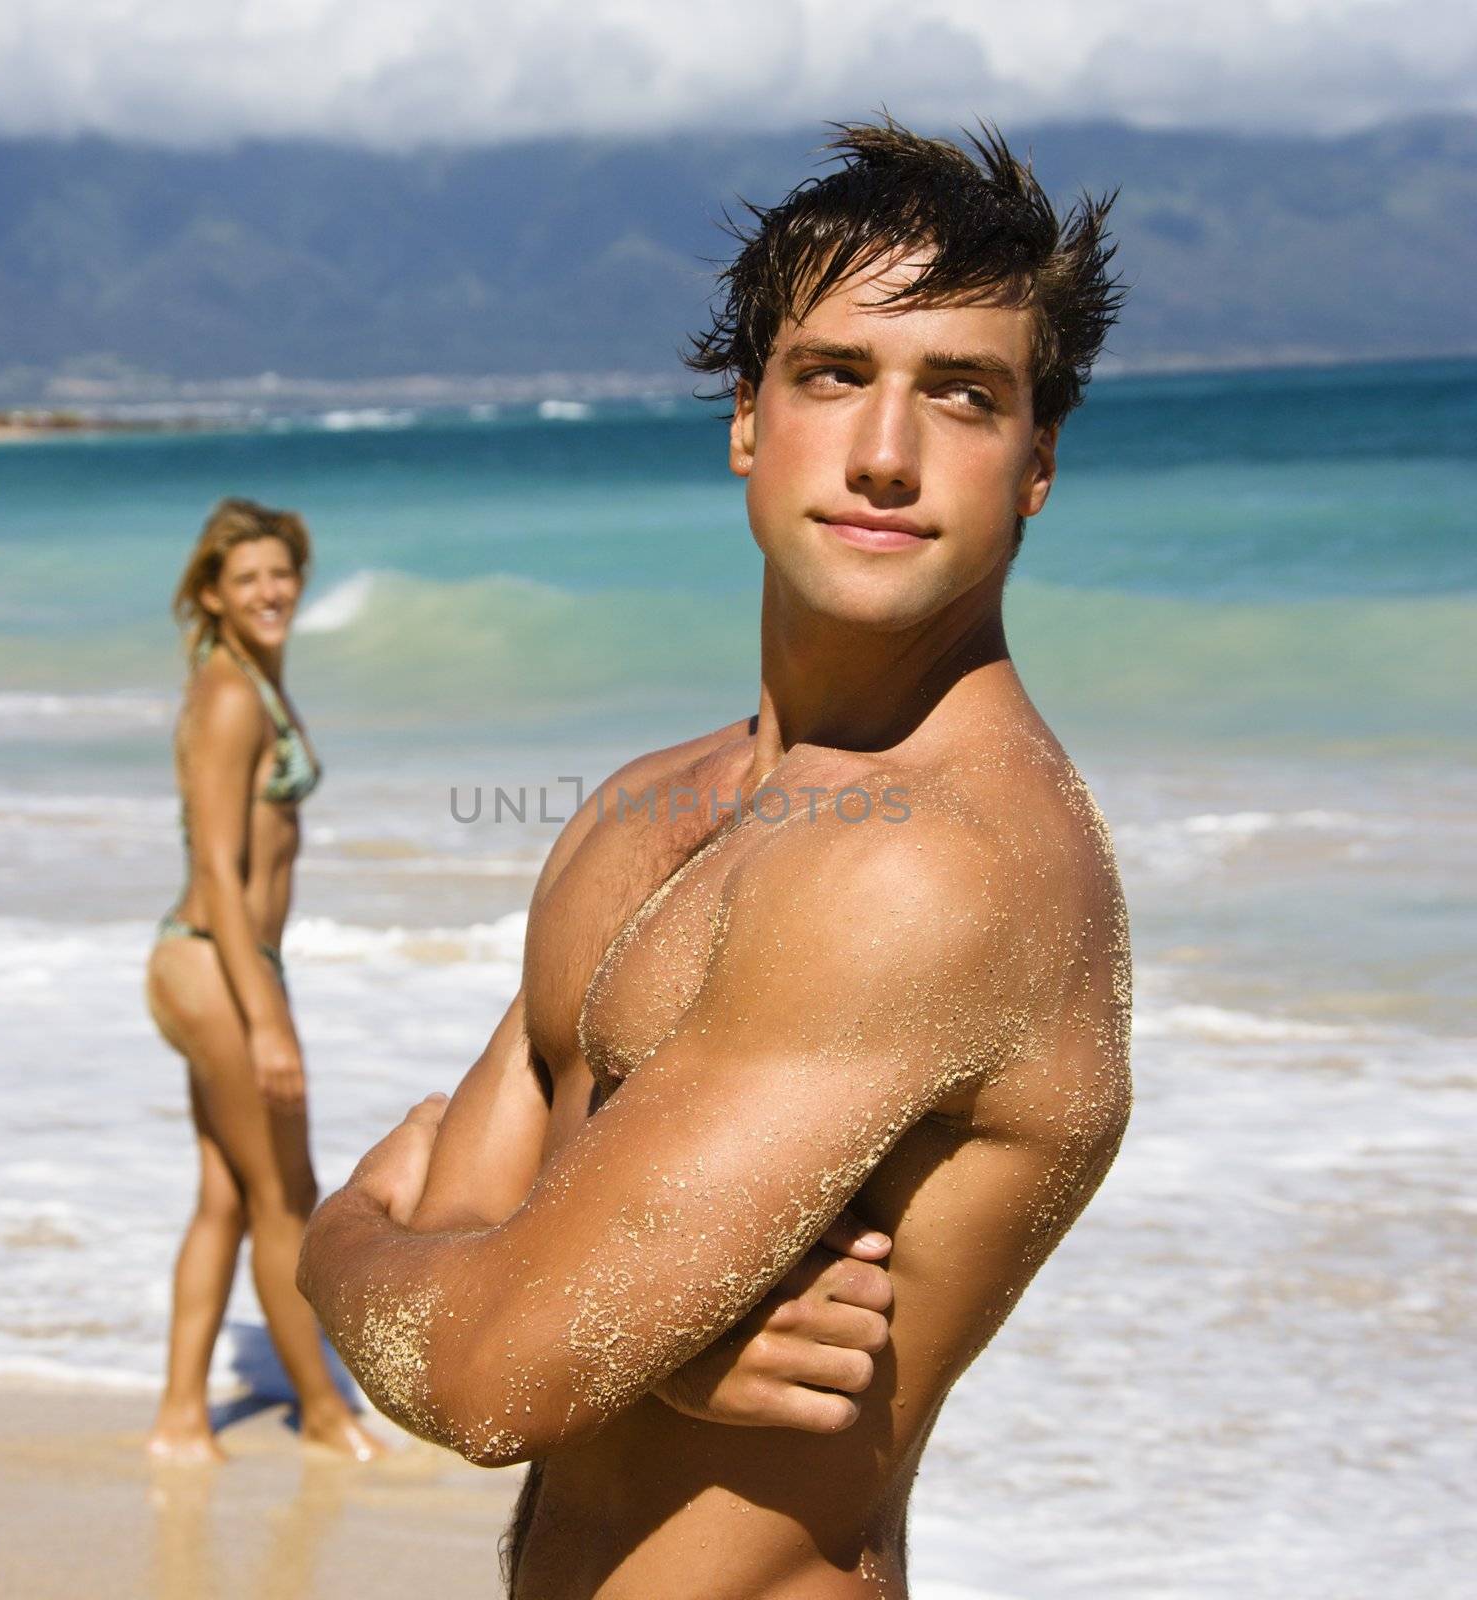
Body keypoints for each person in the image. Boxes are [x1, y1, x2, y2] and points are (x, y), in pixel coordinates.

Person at [299, 118, 1132, 1595]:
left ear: (1038, 464)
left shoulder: (929, 871)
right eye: (833, 377)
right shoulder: (644, 810)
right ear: (747, 420)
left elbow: (482, 1372)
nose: (885, 456)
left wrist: (333, 1245)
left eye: (962, 396)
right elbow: (482, 1261)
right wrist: (637, 1337)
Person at [145, 497, 382, 1463]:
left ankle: (179, 1419)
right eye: (246, 578)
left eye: (281, 572)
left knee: (228, 1198)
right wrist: (268, 1021)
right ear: (213, 593)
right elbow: (217, 872)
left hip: (218, 961)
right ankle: (324, 1416)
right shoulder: (231, 696)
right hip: (216, 961)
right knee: (288, 1195)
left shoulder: (249, 680)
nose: (270, 590)